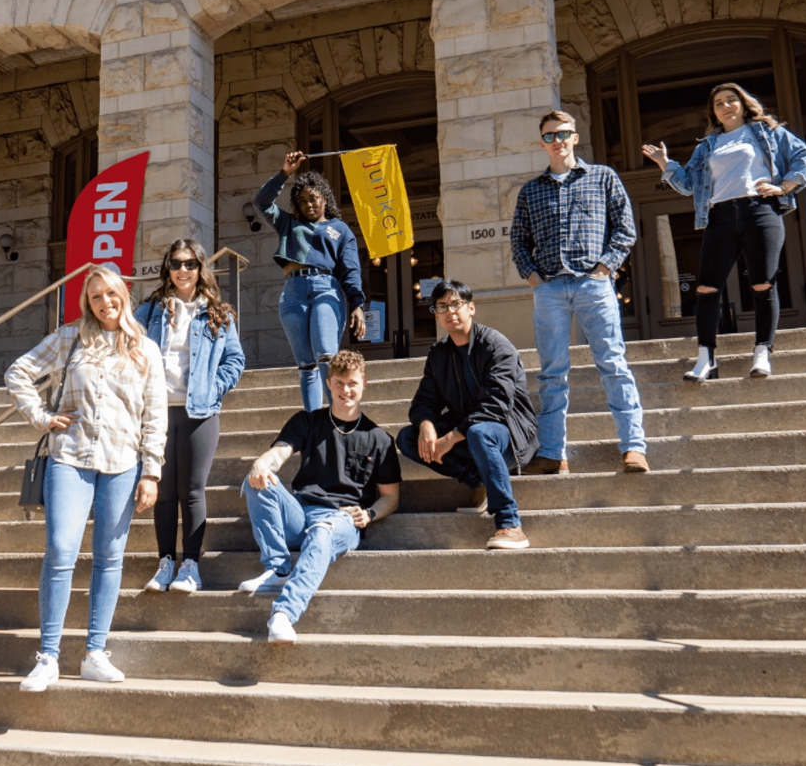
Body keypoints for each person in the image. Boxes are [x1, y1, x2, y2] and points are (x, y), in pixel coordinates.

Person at [5, 265, 167, 692]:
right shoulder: (70, 338)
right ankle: (48, 656)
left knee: (110, 557)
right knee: (61, 551)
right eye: (96, 297)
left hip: (123, 462)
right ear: (87, 302)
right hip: (70, 457)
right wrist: (41, 417)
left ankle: (95, 652)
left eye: (110, 293)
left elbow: (155, 416)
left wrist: (151, 471)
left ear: (124, 295)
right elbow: (18, 373)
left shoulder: (147, 350)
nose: (104, 302)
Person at [643, 82, 806, 380]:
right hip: (720, 215)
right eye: (719, 103)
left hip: (759, 210)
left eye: (731, 100)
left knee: (762, 284)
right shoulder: (707, 146)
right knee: (706, 288)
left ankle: (762, 352)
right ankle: (706, 358)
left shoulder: (767, 132)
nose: (726, 106)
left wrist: (784, 186)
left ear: (743, 103)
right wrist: (664, 163)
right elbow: (688, 185)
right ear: (713, 112)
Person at [511, 110, 650, 475]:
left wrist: (605, 267)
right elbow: (519, 241)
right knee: (552, 374)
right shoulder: (530, 191)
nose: (557, 141)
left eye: (563, 134)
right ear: (542, 144)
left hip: (594, 284)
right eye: (550, 136)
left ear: (575, 138)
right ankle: (553, 453)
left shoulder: (603, 177)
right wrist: (534, 279)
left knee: (613, 365)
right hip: (550, 289)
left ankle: (633, 447)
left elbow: (625, 227)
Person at [239, 350, 400, 643]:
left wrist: (371, 514)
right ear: (328, 384)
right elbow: (279, 453)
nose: (345, 390)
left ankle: (283, 614)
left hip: (341, 519)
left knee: (322, 531)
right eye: (339, 383)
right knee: (256, 481)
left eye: (352, 383)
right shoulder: (308, 422)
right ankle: (278, 568)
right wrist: (262, 462)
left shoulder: (379, 439)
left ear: (364, 384)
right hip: (300, 513)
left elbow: (390, 496)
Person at [134, 239, 246, 594]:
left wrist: (213, 388)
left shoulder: (218, 312)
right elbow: (127, 346)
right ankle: (166, 562)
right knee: (165, 491)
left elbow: (235, 359)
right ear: (167, 267)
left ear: (201, 268)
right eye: (176, 263)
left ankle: (191, 567)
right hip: (157, 411)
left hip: (200, 412)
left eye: (191, 264)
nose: (183, 270)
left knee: (192, 490)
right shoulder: (150, 311)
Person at [396, 280, 538, 550]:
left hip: (509, 434)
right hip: (470, 436)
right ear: (436, 315)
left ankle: (511, 524)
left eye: (456, 304)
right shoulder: (439, 353)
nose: (450, 311)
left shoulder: (496, 345)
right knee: (407, 438)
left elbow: (496, 404)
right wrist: (426, 424)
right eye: (442, 307)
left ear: (471, 308)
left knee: (479, 432)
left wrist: (451, 437)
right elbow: (425, 399)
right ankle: (478, 482)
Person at [253, 150, 368, 411]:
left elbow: (351, 269)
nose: (309, 205)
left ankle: (338, 415)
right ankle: (314, 422)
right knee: (306, 365)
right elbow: (261, 203)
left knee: (326, 354)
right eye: (302, 201)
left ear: (324, 198)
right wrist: (284, 174)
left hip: (326, 288)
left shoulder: (340, 229)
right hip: (293, 292)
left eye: (313, 198)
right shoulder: (288, 223)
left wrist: (357, 304)